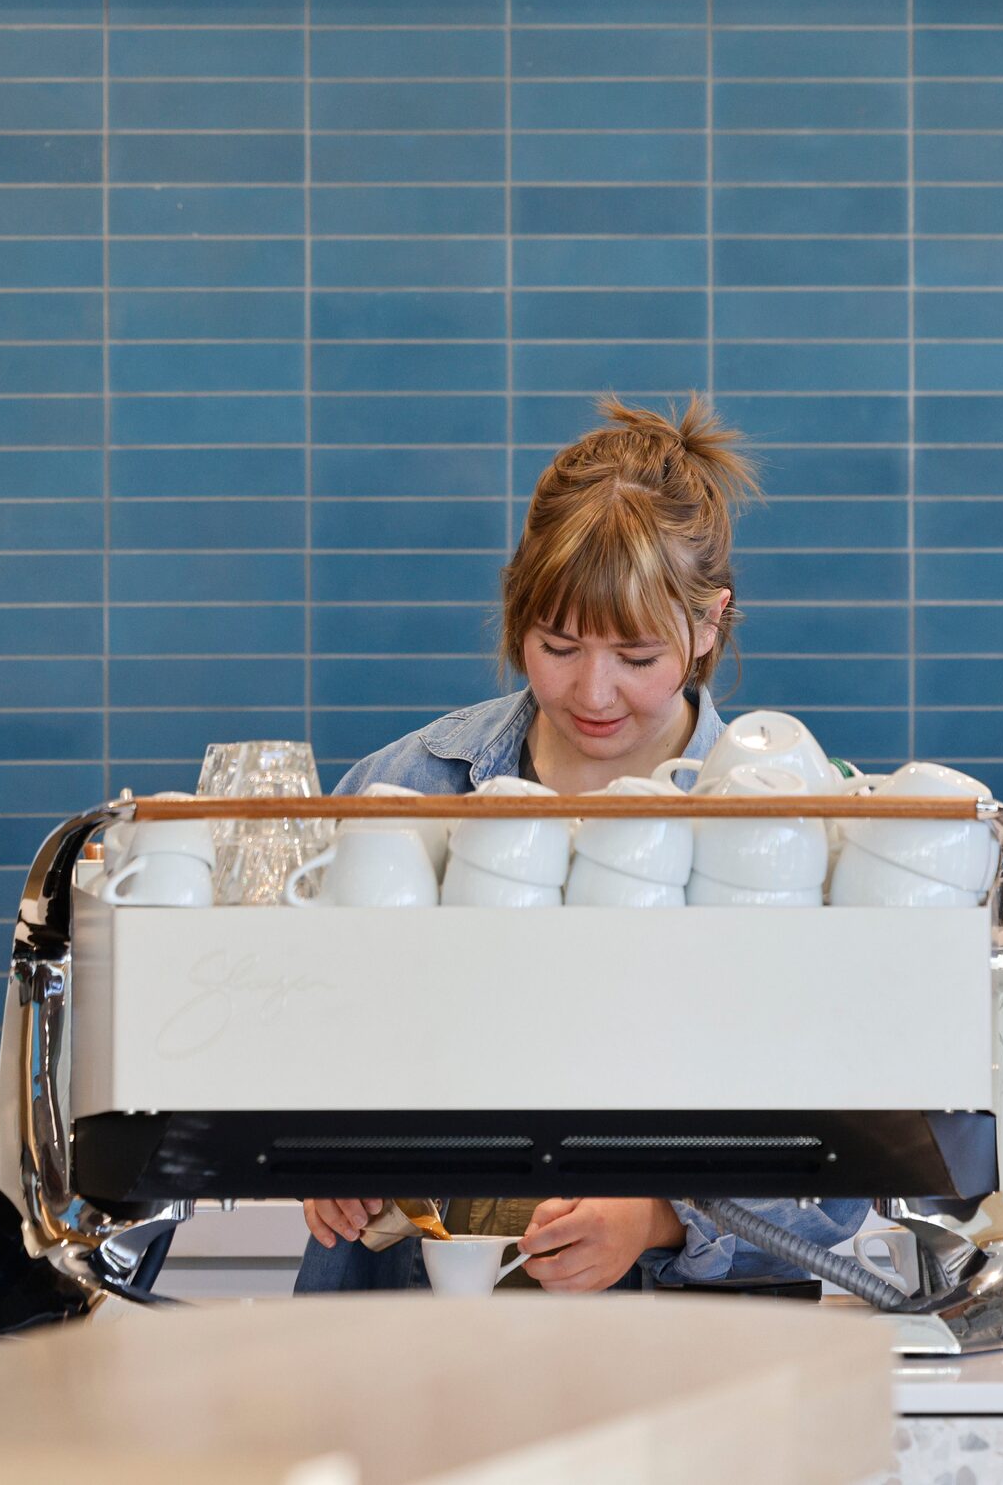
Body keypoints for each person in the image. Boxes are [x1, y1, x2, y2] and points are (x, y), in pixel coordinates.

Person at [296, 395, 871, 1294]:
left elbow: (848, 1159)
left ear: (711, 623)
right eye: (557, 645)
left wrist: (657, 1217)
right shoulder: (412, 789)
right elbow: (292, 1026)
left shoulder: (792, 825)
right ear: (514, 611)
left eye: (637, 657)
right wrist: (323, 1153)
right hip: (408, 1324)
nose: (594, 692)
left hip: (691, 1348)